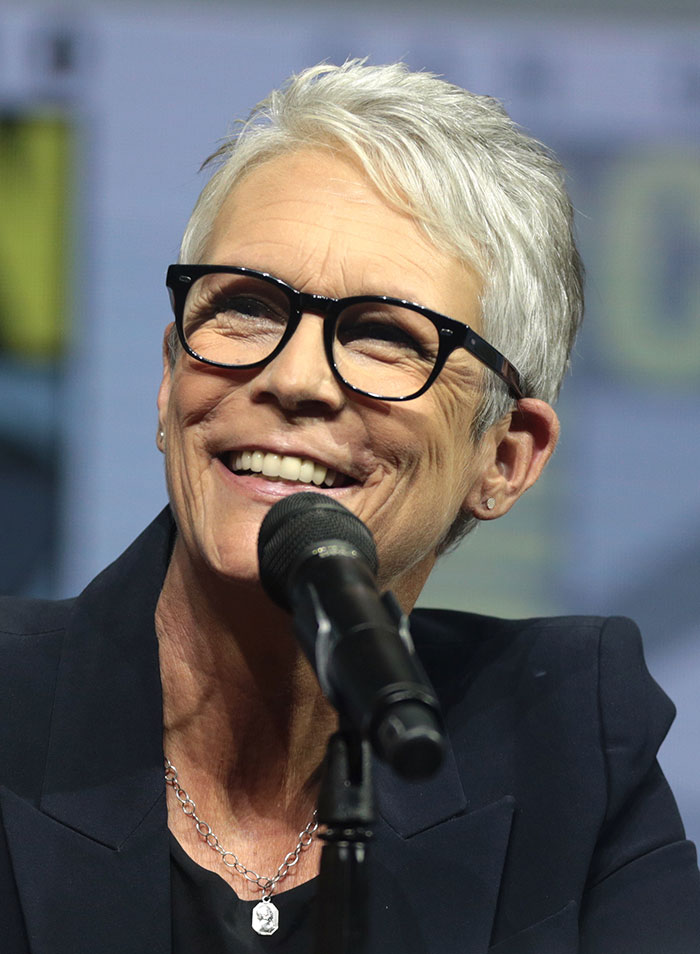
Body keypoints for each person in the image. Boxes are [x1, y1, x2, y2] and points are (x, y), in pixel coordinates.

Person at [0, 60, 698, 954]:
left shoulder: (566, 743)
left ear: (506, 456)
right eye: (246, 308)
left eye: (382, 336)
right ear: (172, 375)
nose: (292, 379)